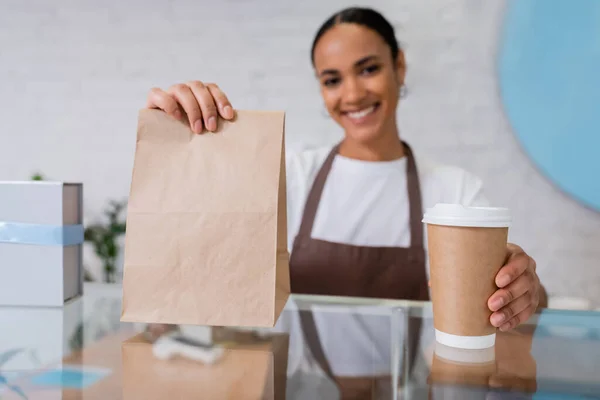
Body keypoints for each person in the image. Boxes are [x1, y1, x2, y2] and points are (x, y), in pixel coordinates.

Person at [145, 7, 546, 333]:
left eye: (368, 69)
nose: (352, 94)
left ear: (399, 66)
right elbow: (197, 258)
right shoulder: (291, 176)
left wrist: (524, 290)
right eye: (333, 79)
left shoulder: (453, 190)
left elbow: (525, 302)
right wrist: (179, 139)